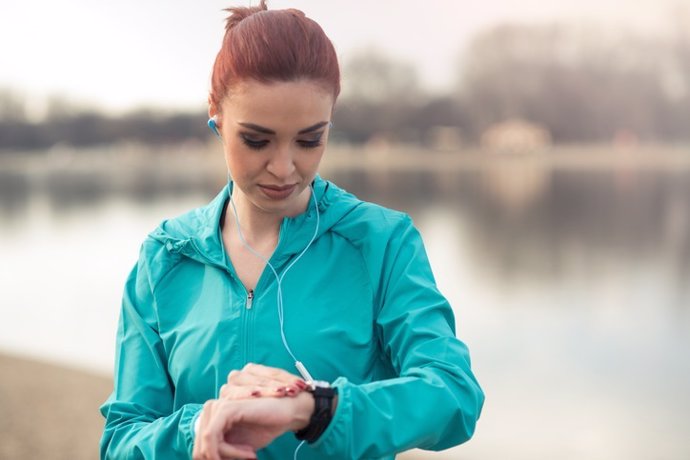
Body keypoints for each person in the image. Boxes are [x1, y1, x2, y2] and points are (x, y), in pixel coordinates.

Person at [99, 2, 484, 459]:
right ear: (216, 116)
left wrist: (317, 408)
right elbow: (121, 440)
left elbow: (454, 394)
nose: (284, 168)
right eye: (256, 140)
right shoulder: (165, 258)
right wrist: (197, 428)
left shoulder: (381, 242)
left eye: (309, 140)